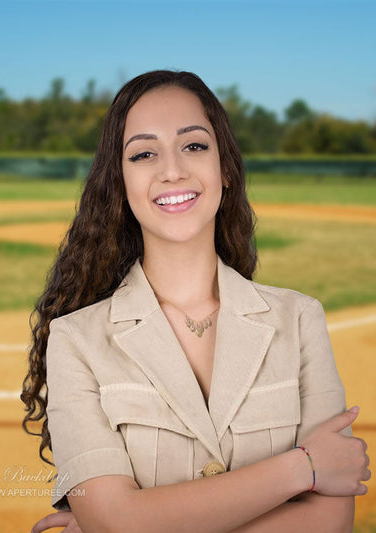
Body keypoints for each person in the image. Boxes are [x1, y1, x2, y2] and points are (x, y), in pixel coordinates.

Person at [21, 70, 370, 533]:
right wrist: (303, 468)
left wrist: (134, 522)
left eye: (194, 145)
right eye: (144, 153)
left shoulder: (301, 319)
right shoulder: (75, 340)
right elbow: (115, 523)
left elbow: (330, 524)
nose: (172, 170)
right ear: (120, 182)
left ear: (223, 167)